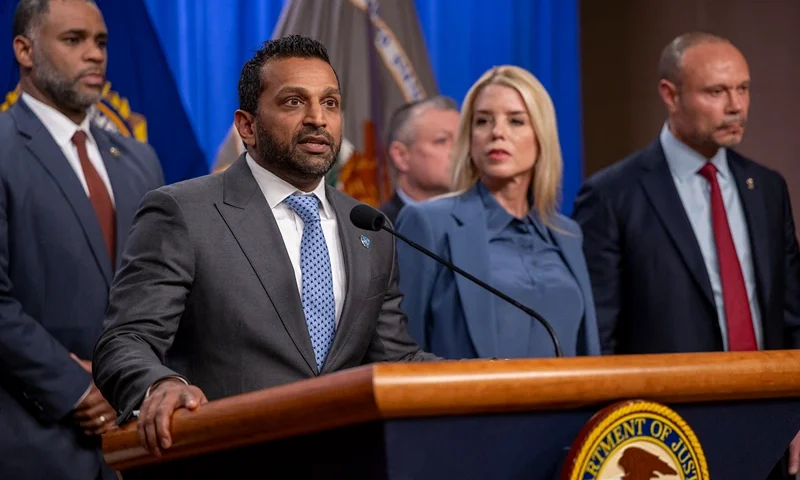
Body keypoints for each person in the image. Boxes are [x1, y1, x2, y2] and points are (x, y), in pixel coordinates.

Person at [92, 35, 438, 458]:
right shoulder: (184, 212)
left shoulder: (368, 227)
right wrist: (160, 386)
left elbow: (396, 360)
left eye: (330, 103)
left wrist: (499, 374)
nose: (318, 119)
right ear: (247, 126)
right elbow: (125, 340)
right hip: (229, 459)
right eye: (294, 102)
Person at [571, 32, 800, 477]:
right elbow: (600, 338)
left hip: (772, 433)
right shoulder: (612, 196)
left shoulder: (767, 188)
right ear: (669, 94)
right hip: (667, 443)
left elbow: (792, 315)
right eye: (716, 92)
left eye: (743, 88)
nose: (736, 106)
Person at [0, 0, 164, 479]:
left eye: (101, 42)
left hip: (141, 438)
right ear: (25, 51)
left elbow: (161, 288)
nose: (95, 54)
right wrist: (76, 387)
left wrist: (140, 381)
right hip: (33, 442)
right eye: (74, 40)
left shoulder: (140, 160)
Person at [394, 65, 601, 360]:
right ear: (469, 139)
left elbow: (587, 351)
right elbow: (401, 351)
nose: (497, 133)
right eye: (483, 121)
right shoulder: (428, 224)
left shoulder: (567, 234)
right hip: (470, 390)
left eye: (516, 121)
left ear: (541, 135)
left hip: (565, 392)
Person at [380, 95, 460, 224]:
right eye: (442, 141)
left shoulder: (485, 222)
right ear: (401, 156)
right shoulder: (379, 229)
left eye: (462, 140)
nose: (459, 151)